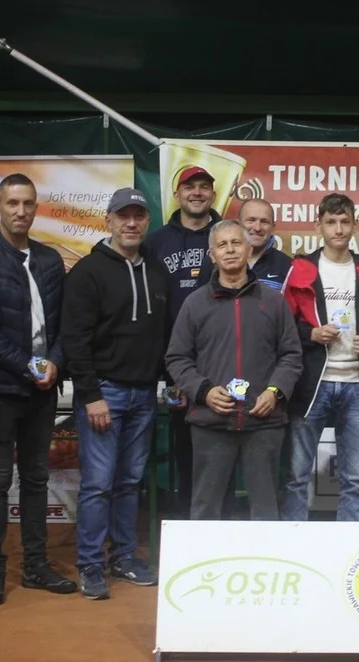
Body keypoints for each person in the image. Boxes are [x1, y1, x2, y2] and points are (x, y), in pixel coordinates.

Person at [0, 173, 77, 605]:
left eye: (27, 203)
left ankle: (35, 566)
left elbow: (65, 324)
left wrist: (55, 363)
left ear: (36, 206)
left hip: (44, 389)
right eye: (12, 203)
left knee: (36, 478)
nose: (21, 211)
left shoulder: (48, 260)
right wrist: (26, 365)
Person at [62, 187, 169, 600]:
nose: (131, 223)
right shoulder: (88, 272)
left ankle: (123, 557)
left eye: (138, 216)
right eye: (123, 215)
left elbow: (162, 334)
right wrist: (91, 395)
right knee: (98, 484)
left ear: (146, 222)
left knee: (129, 482)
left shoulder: (156, 272)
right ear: (108, 220)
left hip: (144, 395)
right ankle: (89, 564)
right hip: (104, 393)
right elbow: (75, 339)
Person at [165, 219, 303, 520]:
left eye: (236, 243)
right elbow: (177, 358)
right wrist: (203, 391)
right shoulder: (194, 303)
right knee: (205, 509)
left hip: (264, 422)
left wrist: (275, 391)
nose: (229, 250)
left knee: (265, 510)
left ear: (248, 247)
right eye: (222, 245)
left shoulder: (273, 302)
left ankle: (265, 567)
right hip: (211, 422)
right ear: (212, 255)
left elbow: (292, 355)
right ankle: (202, 566)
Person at [281, 192, 359, 522]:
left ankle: (348, 548)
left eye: (345, 222)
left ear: (355, 226)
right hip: (312, 385)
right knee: (297, 474)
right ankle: (294, 543)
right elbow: (283, 330)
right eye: (331, 222)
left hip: (357, 385)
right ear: (319, 226)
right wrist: (312, 335)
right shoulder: (301, 270)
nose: (339, 229)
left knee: (355, 478)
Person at [145, 166, 222, 518]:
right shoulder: (157, 241)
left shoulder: (225, 236)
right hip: (173, 362)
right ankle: (184, 515)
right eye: (189, 187)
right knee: (182, 443)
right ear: (177, 194)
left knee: (222, 441)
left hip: (220, 357)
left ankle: (220, 512)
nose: (197, 193)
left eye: (204, 187)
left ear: (213, 194)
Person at [198, 198, 291, 291]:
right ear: (239, 224)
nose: (257, 228)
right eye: (251, 220)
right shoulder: (213, 261)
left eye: (264, 222)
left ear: (273, 228)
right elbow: (201, 301)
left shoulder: (287, 266)